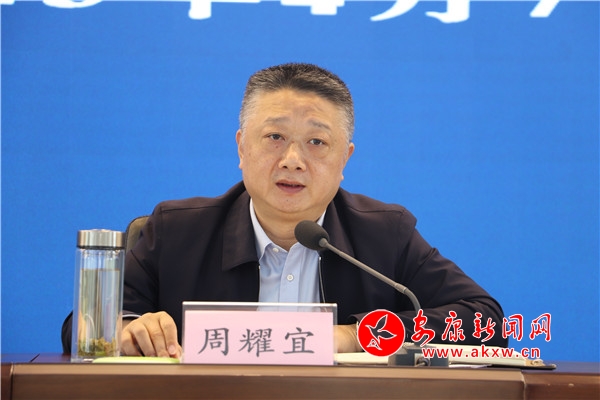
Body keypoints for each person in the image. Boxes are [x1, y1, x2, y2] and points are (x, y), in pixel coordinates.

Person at [62, 63, 507, 358]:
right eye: (275, 137)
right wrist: (126, 329)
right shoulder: (176, 231)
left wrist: (355, 336)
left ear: (345, 159)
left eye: (316, 142)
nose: (293, 159)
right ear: (241, 147)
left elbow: (483, 320)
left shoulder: (384, 234)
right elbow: (81, 327)